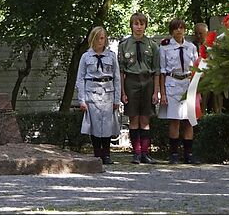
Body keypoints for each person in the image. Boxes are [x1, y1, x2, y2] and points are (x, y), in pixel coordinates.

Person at [118, 13, 160, 164]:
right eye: (136, 24)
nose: (139, 27)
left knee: (145, 118)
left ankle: (145, 153)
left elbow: (156, 71)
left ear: (145, 26)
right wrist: (122, 92)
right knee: (133, 118)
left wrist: (156, 92)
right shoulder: (124, 45)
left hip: (147, 81)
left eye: (142, 24)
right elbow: (121, 72)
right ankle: (136, 153)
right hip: (131, 81)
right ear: (131, 26)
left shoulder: (153, 45)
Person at [76, 26, 121, 165]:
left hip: (107, 92)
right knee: (95, 124)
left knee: (107, 124)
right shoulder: (86, 56)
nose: (101, 41)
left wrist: (117, 99)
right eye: (98, 38)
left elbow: (117, 78)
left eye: (103, 38)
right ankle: (97, 153)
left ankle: (106, 154)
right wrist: (82, 99)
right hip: (92, 92)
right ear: (92, 39)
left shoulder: (111, 56)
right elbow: (80, 78)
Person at [159, 18, 199, 164]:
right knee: (174, 120)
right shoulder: (164, 47)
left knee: (189, 120)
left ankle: (188, 154)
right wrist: (162, 93)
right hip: (172, 83)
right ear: (171, 30)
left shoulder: (191, 47)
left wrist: (197, 89)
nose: (179, 30)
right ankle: (174, 154)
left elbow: (197, 68)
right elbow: (162, 72)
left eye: (181, 28)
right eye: (176, 28)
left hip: (189, 83)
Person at [193, 22, 222, 114]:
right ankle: (201, 120)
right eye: (196, 33)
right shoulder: (192, 46)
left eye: (200, 33)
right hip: (199, 80)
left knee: (216, 105)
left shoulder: (215, 45)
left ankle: (217, 117)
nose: (198, 36)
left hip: (214, 78)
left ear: (207, 33)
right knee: (201, 105)